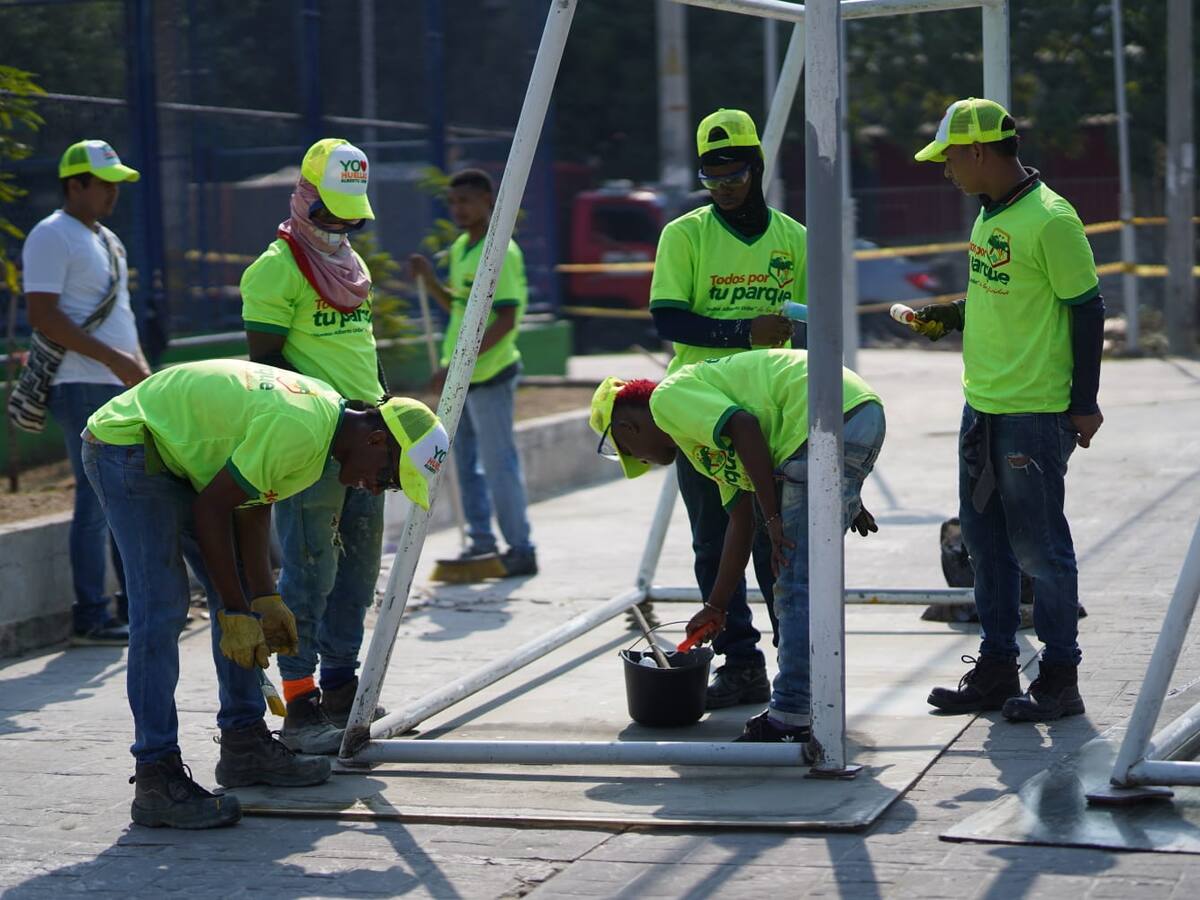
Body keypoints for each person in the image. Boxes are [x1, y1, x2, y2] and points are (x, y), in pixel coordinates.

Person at [82, 358, 447, 828]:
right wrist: (236, 609)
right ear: (377, 440)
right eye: (388, 477)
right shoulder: (302, 428)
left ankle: (244, 745)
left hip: (183, 453)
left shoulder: (324, 437)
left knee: (233, 594)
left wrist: (261, 598)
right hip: (131, 444)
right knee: (161, 610)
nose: (377, 490)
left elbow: (249, 504)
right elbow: (213, 510)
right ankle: (156, 775)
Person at [911, 98, 1103, 722]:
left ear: (977, 151)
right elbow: (1001, 298)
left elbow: (1086, 308)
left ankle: (1059, 677)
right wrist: (951, 315)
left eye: (948, 158)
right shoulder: (990, 216)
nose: (945, 170)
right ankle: (996, 667)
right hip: (983, 407)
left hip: (1034, 413)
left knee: (1040, 549)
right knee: (983, 543)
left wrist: (1084, 403)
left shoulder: (1051, 220)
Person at [590, 349, 883, 744]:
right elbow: (741, 522)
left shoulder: (667, 400)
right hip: (848, 412)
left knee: (794, 581)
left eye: (631, 453)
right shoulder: (699, 445)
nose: (643, 461)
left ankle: (793, 713)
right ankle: (813, 701)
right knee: (801, 576)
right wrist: (716, 605)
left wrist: (776, 519)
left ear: (626, 428)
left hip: (822, 415)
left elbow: (745, 425)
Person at [648, 108, 806, 709]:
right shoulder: (685, 234)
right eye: (711, 178)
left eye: (733, 174)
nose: (723, 187)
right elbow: (668, 317)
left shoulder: (793, 239)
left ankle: (797, 665)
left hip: (774, 409)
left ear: (757, 168)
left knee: (778, 540)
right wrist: (744, 330)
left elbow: (812, 328)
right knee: (713, 541)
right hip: (700, 412)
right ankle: (740, 661)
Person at [241, 138, 389, 752]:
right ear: (303, 200)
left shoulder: (352, 267)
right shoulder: (275, 269)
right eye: (329, 213)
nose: (340, 226)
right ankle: (299, 701)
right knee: (309, 571)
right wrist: (330, 420)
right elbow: (267, 367)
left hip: (371, 438)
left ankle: (342, 686)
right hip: (315, 444)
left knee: (358, 569)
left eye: (350, 215)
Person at [21, 140, 151, 645]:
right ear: (74, 184)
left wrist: (136, 368)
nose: (113, 193)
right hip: (80, 384)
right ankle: (91, 615)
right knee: (96, 500)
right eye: (104, 183)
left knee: (127, 495)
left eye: (117, 183)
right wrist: (117, 361)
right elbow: (44, 316)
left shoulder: (107, 239)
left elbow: (118, 316)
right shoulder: (51, 235)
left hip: (116, 384)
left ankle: (132, 605)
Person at [409, 168, 536, 576]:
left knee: (500, 464)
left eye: (465, 200)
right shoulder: (463, 247)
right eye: (452, 201)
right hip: (459, 377)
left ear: (488, 201)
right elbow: (463, 308)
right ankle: (482, 542)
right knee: (464, 463)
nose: (458, 208)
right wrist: (430, 282)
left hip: (489, 376)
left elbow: (505, 319)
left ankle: (521, 548)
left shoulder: (502, 250)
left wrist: (458, 364)